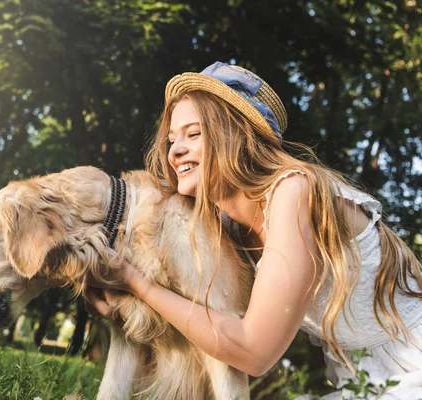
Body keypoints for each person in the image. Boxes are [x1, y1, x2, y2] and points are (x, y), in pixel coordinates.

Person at [86, 61, 422, 399]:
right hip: (362, 381)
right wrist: (121, 296)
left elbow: (253, 351)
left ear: (237, 136)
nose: (175, 151)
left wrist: (135, 282)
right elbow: (199, 317)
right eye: (172, 139)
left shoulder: (294, 192)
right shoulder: (228, 228)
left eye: (193, 134)